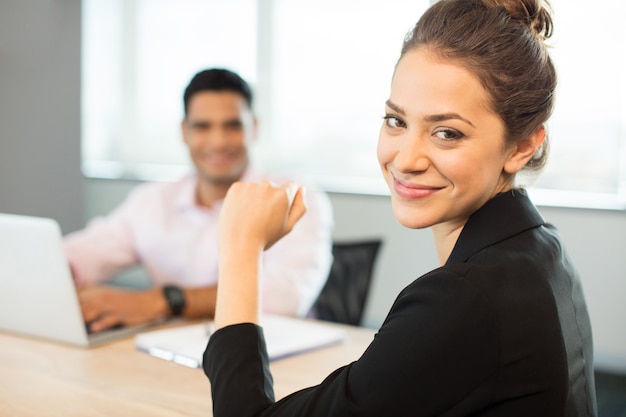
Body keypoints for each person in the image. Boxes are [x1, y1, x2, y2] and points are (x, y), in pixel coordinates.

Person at [203, 1, 598, 416]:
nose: (406, 158)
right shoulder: (540, 247)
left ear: (522, 146)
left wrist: (240, 249)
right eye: (396, 121)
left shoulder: (465, 299)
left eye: (447, 133)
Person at [64, 68, 334, 333]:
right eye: (202, 126)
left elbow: (284, 299)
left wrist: (160, 301)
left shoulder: (295, 198)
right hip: (174, 351)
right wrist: (63, 271)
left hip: (276, 353)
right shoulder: (152, 201)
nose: (218, 141)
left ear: (254, 127)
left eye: (233, 125)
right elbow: (86, 253)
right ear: (184, 131)